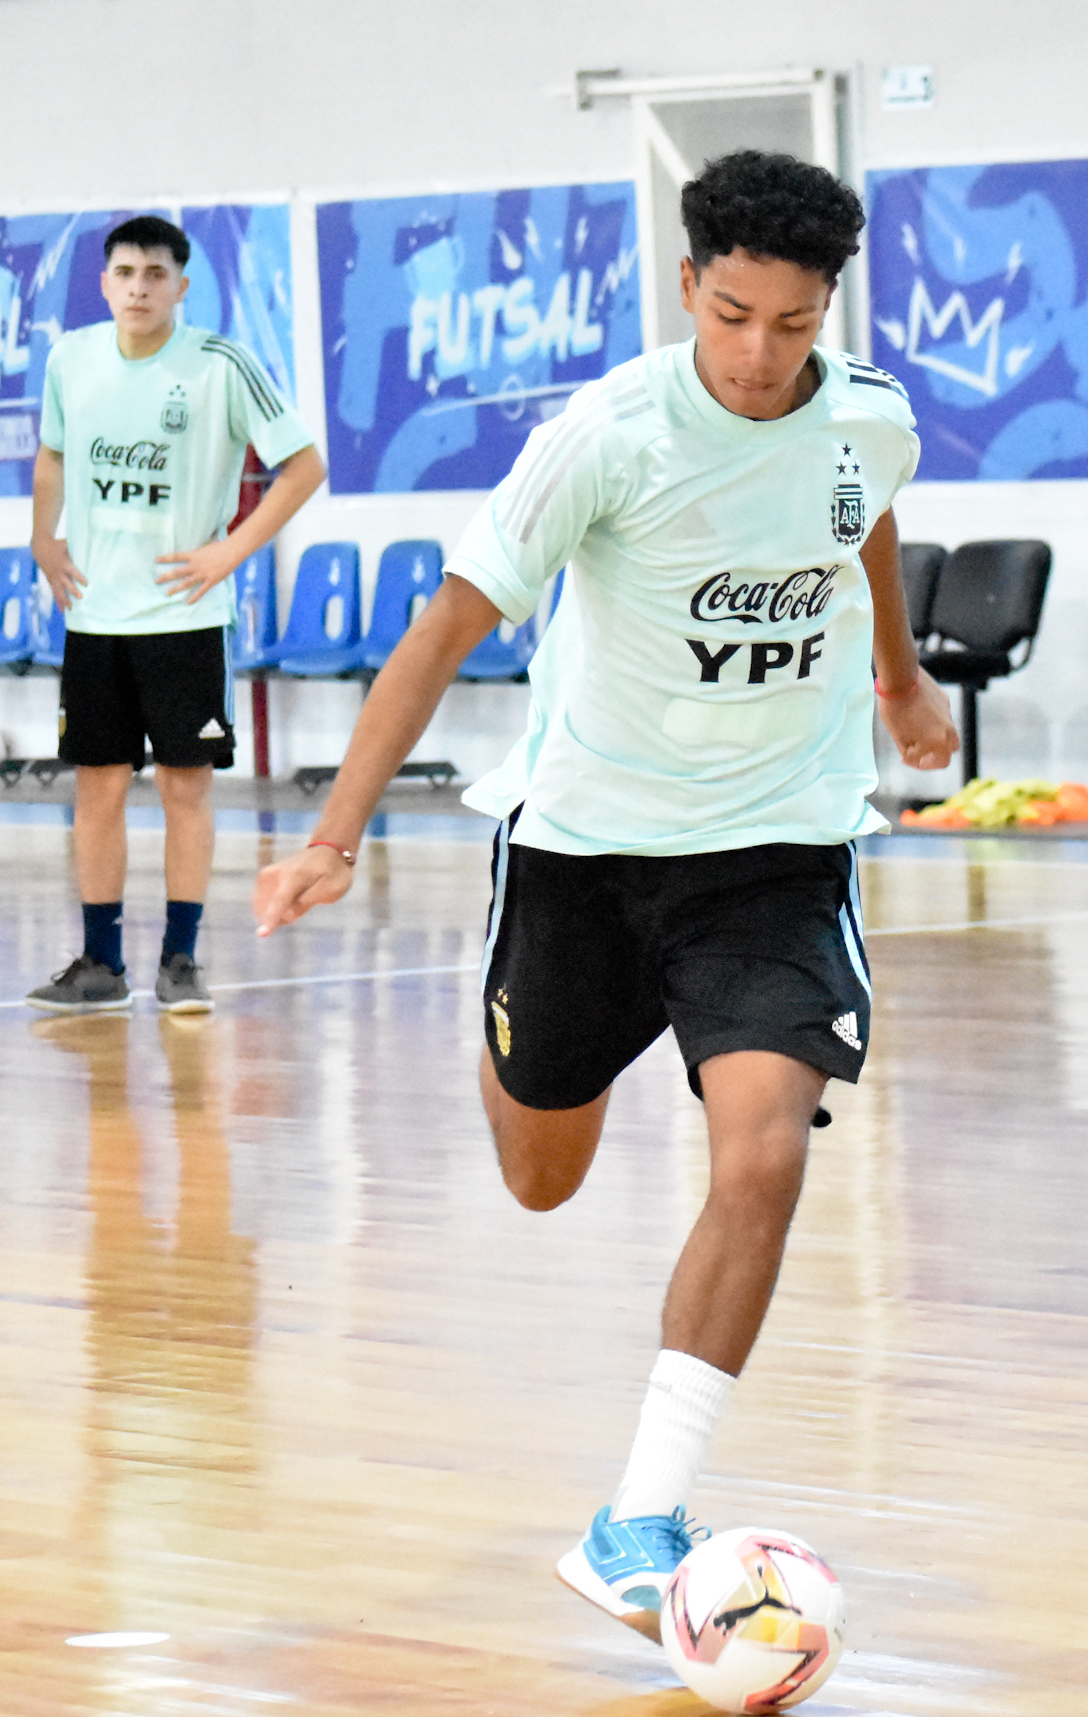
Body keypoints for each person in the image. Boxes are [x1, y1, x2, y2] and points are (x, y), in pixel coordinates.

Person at [250, 150, 961, 1635]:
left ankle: (640, 1516)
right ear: (686, 287)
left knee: (763, 1155)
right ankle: (544, 1030)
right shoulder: (610, 436)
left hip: (777, 849)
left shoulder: (869, 421)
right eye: (731, 316)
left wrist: (898, 679)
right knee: (541, 1175)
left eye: (791, 323)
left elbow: (862, 519)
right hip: (582, 853)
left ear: (830, 306)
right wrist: (333, 833)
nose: (760, 355)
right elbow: (448, 628)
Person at [27, 214, 326, 1016]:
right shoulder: (71, 359)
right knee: (97, 788)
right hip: (94, 619)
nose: (138, 287)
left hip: (183, 620)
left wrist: (230, 551)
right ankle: (99, 960)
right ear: (103, 282)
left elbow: (304, 465)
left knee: (185, 791)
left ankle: (182, 959)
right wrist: (40, 535)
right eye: (125, 272)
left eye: (155, 275)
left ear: (181, 287)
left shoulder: (220, 365)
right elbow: (52, 452)